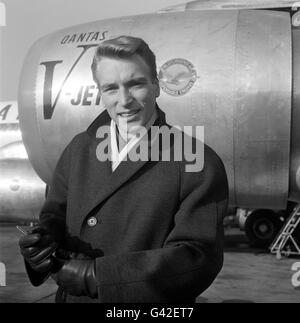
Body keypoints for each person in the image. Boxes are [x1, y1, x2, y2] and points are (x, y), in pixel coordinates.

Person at [19, 36, 229, 303]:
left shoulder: (197, 161)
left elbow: (198, 257)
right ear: (100, 92)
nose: (124, 100)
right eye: (110, 88)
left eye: (136, 83)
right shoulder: (78, 149)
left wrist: (99, 278)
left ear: (156, 85)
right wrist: (41, 247)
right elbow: (54, 217)